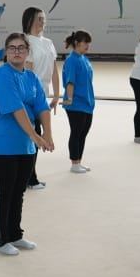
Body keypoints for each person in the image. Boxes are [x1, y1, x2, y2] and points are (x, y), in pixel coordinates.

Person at [0, 32, 55, 255]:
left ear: (27, 52)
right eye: (12, 48)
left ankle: (15, 234)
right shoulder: (0, 76)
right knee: (3, 192)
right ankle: (2, 239)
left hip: (24, 144)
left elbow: (42, 106)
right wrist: (36, 136)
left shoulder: (31, 77)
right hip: (1, 142)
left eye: (21, 48)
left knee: (17, 192)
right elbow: (17, 108)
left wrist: (48, 135)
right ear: (6, 52)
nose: (16, 52)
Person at [22, 7, 59, 190]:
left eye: (44, 18)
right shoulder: (26, 42)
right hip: (31, 96)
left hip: (44, 93)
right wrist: (32, 98)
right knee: (33, 135)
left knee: (35, 136)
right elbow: (27, 73)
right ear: (29, 20)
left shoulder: (48, 42)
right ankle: (30, 177)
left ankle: (30, 175)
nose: (42, 22)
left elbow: (54, 70)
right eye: (38, 19)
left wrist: (57, 94)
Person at [61, 31, 95, 173]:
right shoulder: (72, 60)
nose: (88, 45)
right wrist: (69, 99)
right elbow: (70, 82)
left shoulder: (84, 59)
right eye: (85, 42)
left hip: (87, 102)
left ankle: (79, 161)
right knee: (76, 132)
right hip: (75, 103)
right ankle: (74, 163)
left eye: (88, 42)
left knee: (83, 133)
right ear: (76, 43)